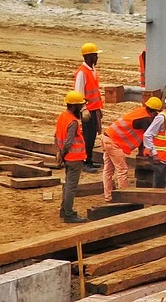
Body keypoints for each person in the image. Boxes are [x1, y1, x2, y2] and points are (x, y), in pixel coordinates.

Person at [100, 96, 161, 202]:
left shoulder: (141, 113)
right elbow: (147, 136)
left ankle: (108, 196)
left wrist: (141, 152)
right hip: (114, 142)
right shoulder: (146, 120)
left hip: (107, 137)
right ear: (154, 112)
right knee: (122, 170)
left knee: (108, 170)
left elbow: (142, 136)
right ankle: (125, 198)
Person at [54, 90, 89, 224]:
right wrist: (63, 154)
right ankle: (68, 214)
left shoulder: (62, 116)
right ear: (74, 106)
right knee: (71, 186)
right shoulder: (73, 121)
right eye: (80, 106)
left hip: (68, 158)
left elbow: (56, 136)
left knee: (67, 184)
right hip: (74, 158)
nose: (81, 108)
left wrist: (59, 153)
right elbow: (68, 142)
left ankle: (64, 210)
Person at [73, 43, 104, 171]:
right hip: (87, 111)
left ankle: (89, 159)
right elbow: (78, 93)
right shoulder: (82, 73)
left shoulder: (92, 70)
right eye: (95, 55)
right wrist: (83, 109)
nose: (97, 58)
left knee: (92, 136)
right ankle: (86, 162)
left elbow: (94, 91)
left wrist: (98, 109)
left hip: (94, 109)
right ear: (89, 56)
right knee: (88, 136)